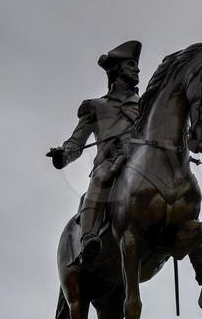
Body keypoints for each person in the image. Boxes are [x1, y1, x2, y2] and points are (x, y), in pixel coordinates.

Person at [47, 39, 142, 268]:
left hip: (140, 158)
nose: (137, 69)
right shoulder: (96, 106)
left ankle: (199, 255)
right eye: (131, 65)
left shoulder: (144, 104)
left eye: (136, 65)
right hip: (110, 161)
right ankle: (88, 237)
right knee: (101, 177)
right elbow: (76, 142)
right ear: (117, 70)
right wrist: (64, 155)